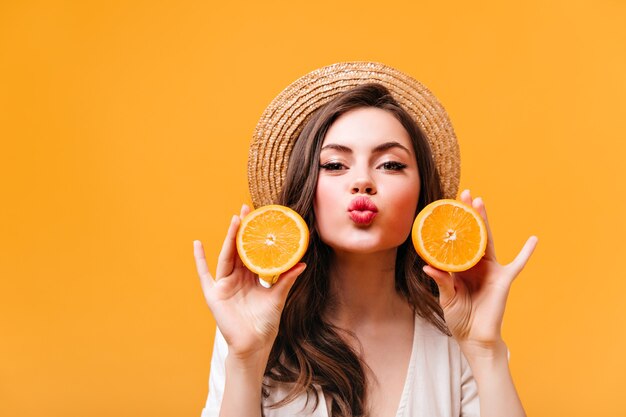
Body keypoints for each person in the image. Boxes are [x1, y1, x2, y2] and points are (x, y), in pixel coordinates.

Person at [193, 62, 538, 417]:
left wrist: (485, 351)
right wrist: (246, 359)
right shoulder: (253, 323)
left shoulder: (457, 334)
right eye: (334, 165)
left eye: (390, 164)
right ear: (306, 189)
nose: (362, 181)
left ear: (422, 195)